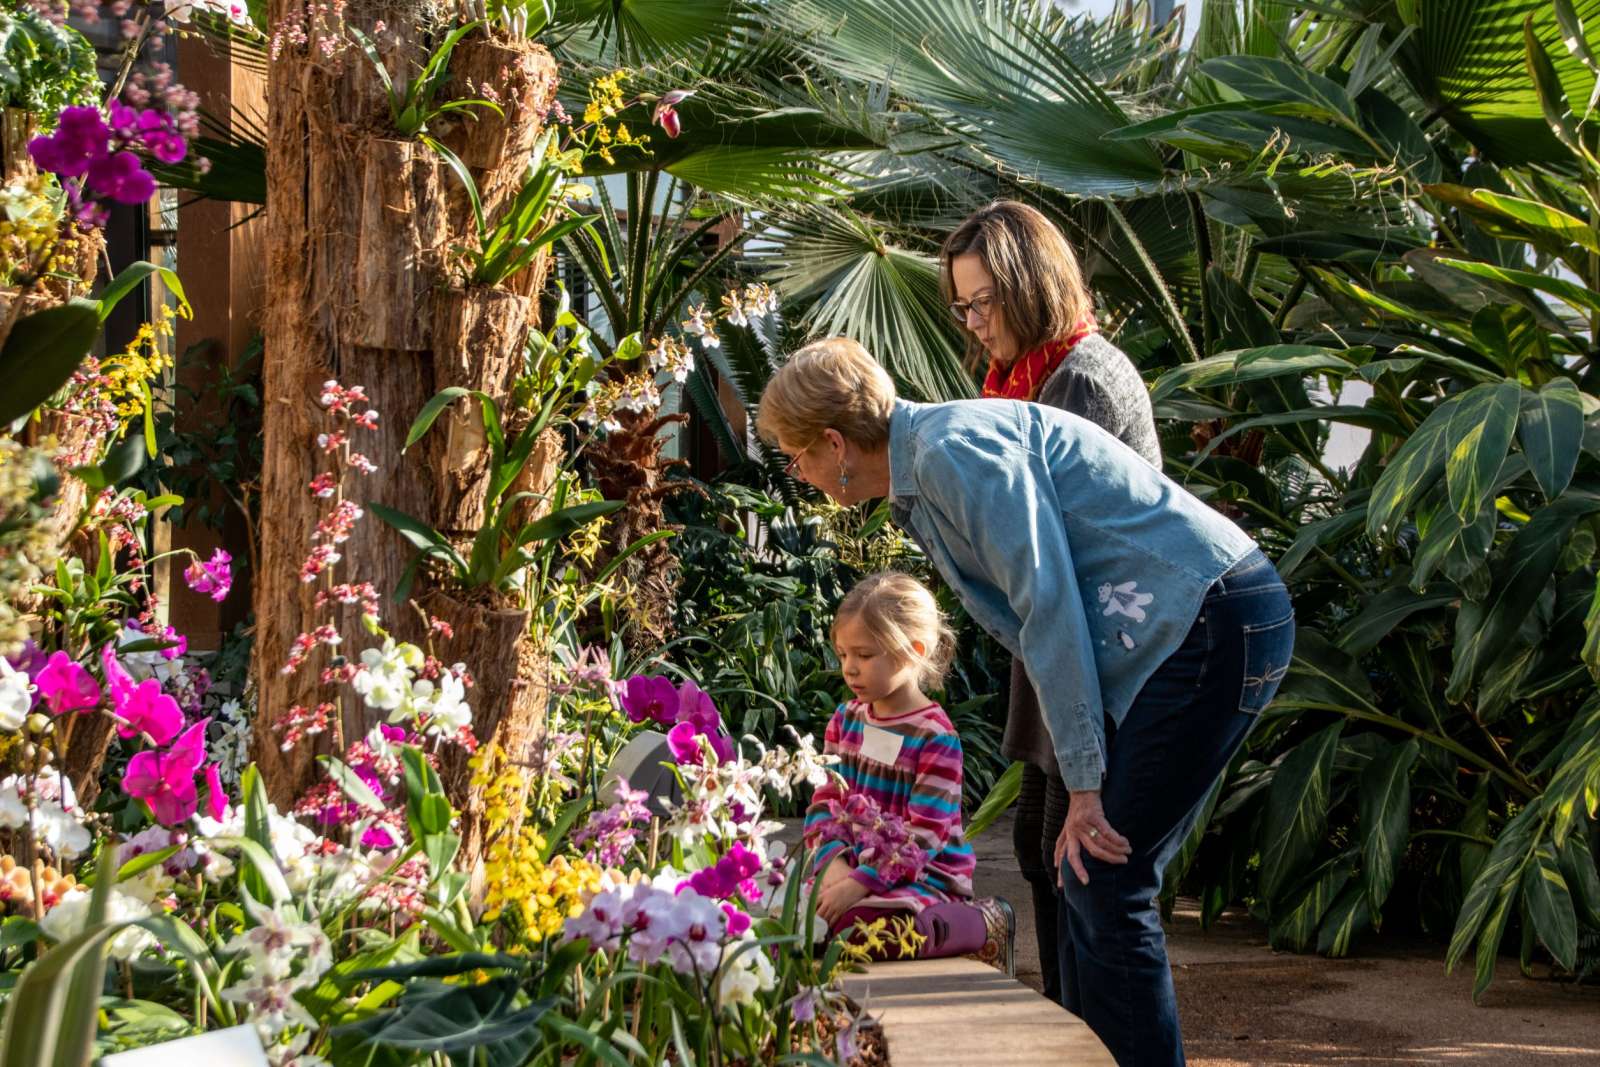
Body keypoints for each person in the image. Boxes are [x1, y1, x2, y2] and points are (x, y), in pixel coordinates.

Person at [760, 339, 1294, 1067]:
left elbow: (1049, 609)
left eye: (797, 457)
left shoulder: (953, 453)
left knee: (1104, 871)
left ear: (834, 442)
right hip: (1188, 628)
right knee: (1080, 869)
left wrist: (1083, 786)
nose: (800, 474)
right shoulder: (925, 470)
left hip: (1210, 617)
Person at [942, 199, 1160, 1005]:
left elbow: (1048, 549)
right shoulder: (1021, 381)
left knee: (1076, 857)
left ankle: (1094, 1039)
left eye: (982, 304)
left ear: (1028, 287)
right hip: (1055, 649)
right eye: (962, 306)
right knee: (1039, 847)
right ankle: (1072, 1031)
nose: (971, 324)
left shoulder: (1082, 381)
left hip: (1101, 650)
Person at [801, 572, 1009, 966]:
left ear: (912, 651)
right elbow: (824, 805)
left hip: (920, 878)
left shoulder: (934, 737)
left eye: (864, 655)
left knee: (860, 937)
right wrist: (833, 865)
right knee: (790, 927)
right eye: (843, 654)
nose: (849, 668)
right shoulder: (845, 721)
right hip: (852, 873)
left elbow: (924, 838)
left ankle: (980, 921)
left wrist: (861, 884)